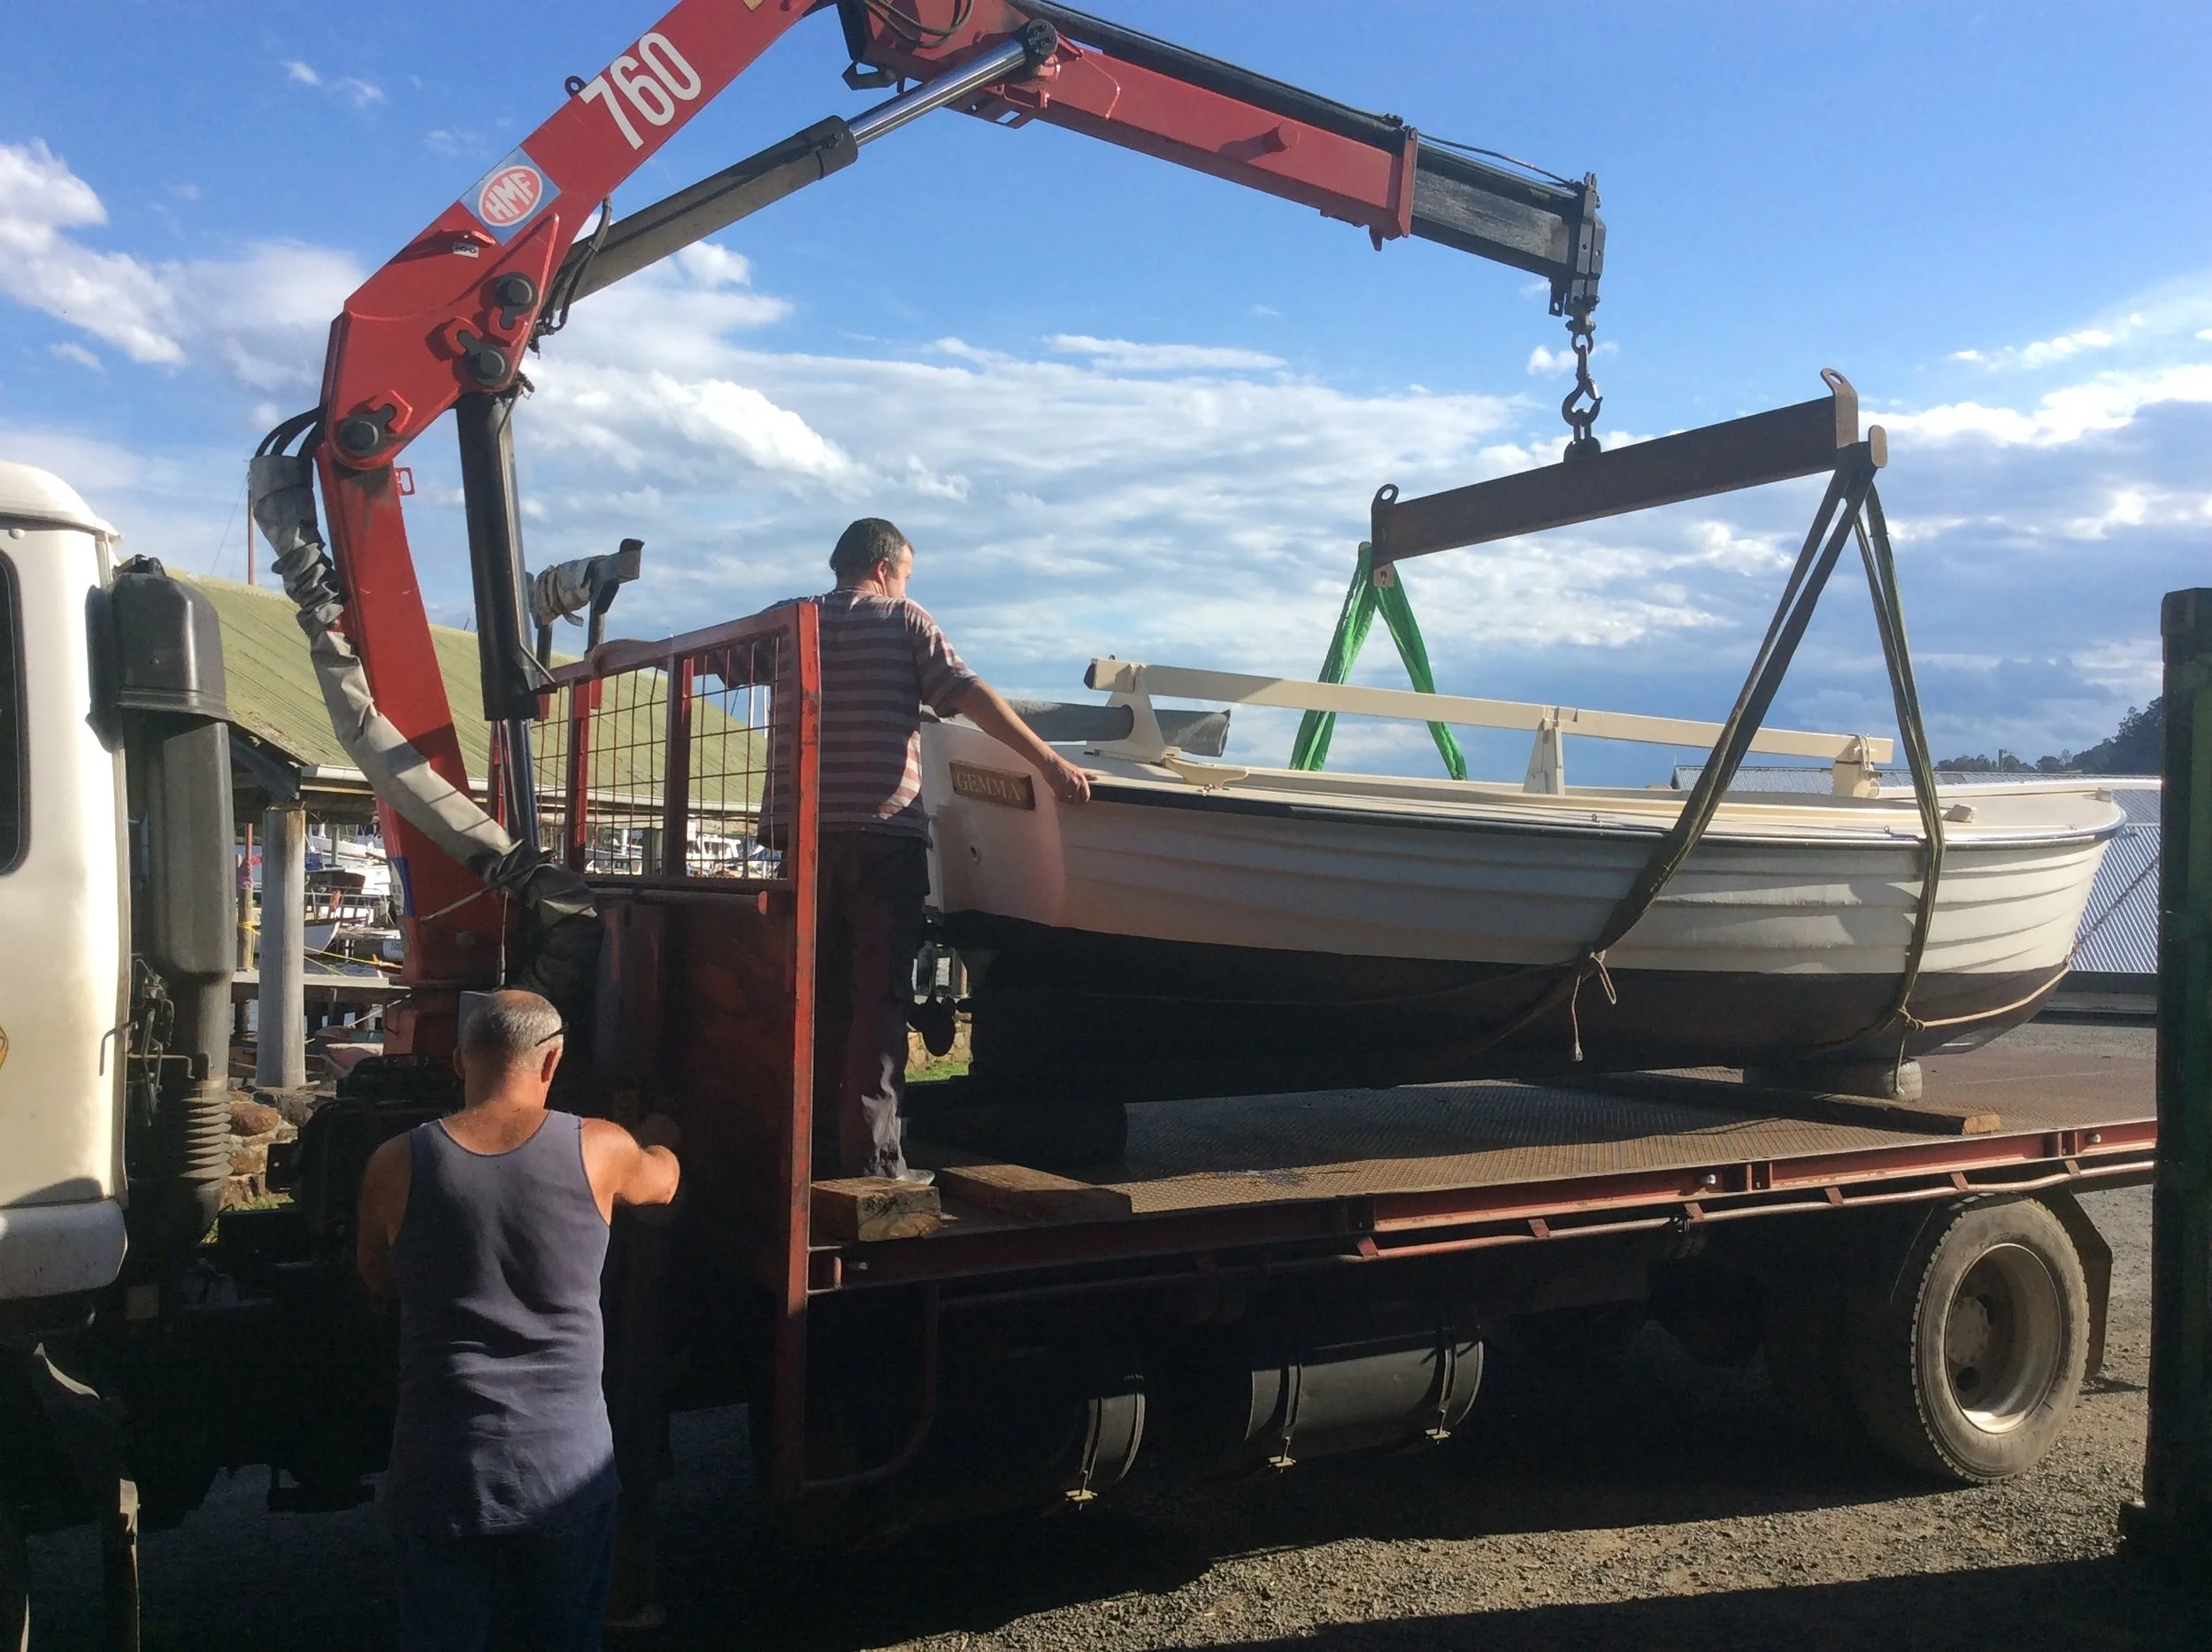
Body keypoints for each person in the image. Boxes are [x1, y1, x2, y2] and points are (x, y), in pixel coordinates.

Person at [356, 990, 681, 1652]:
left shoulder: (395, 1162)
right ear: (552, 1060)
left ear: (458, 1061)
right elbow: (662, 1189)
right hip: (563, 1470)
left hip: (440, 1470)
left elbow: (378, 1278)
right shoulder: (601, 1146)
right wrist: (667, 1139)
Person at [806, 517, 1091, 1181]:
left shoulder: (793, 624)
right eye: (905, 573)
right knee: (877, 1003)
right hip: (882, 837)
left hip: (805, 841)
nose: (907, 584)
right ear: (883, 569)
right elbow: (968, 695)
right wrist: (1048, 763)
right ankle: (874, 1166)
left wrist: (608, 657)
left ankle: (811, 1151)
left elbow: (711, 658)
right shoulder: (903, 619)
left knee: (814, 1000)